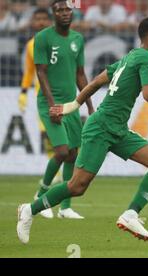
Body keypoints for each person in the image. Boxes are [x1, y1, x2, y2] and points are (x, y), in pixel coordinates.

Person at [17, 17, 148, 244]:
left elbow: (97, 81)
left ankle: (130, 214)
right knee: (77, 187)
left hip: (117, 128)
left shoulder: (131, 56)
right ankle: (29, 209)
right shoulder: (145, 58)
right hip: (102, 127)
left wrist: (73, 105)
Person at [30, 0, 94, 220]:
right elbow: (41, 72)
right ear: (53, 14)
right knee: (62, 151)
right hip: (50, 103)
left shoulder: (78, 39)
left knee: (73, 154)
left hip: (71, 104)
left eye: (68, 9)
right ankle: (40, 195)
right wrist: (51, 105)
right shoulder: (43, 38)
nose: (65, 13)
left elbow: (80, 75)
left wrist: (90, 106)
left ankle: (64, 208)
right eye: (60, 10)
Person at [18, 8, 62, 200]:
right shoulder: (30, 45)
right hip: (42, 98)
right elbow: (29, 71)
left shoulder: (59, 42)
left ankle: (60, 174)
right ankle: (56, 173)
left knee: (66, 139)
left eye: (45, 18)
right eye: (38, 19)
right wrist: (23, 92)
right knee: (46, 133)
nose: (42, 22)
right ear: (33, 22)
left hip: (63, 95)